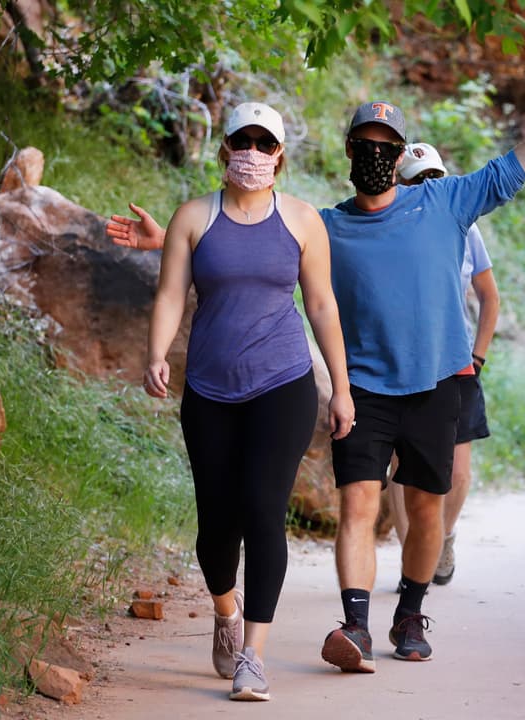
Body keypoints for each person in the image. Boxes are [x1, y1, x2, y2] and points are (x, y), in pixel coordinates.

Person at [108, 63, 525, 672]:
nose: (376, 155)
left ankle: (411, 609)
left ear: (400, 156)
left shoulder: (445, 201)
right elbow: (253, 239)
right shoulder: (327, 225)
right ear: (349, 150)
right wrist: (172, 242)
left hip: (437, 382)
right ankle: (355, 625)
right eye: (366, 146)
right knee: (359, 504)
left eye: (387, 148)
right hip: (365, 388)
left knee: (426, 508)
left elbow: (514, 168)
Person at [133, 101, 355, 702]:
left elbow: (323, 306)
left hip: (282, 383)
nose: (253, 152)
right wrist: (157, 353)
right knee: (215, 527)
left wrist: (341, 386)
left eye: (265, 143)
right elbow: (172, 293)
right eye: (243, 140)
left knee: (262, 511)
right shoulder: (193, 217)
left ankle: (252, 655)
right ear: (225, 146)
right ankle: (225, 612)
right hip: (208, 386)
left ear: (280, 154)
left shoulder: (304, 221)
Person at [386, 142, 500, 588]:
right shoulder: (388, 228)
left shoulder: (465, 227)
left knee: (457, 472)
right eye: (418, 180)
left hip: (457, 362)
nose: (428, 188)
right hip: (403, 361)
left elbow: (490, 297)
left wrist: (478, 354)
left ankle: (443, 536)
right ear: (401, 185)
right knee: (402, 465)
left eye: (435, 178)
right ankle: (411, 555)